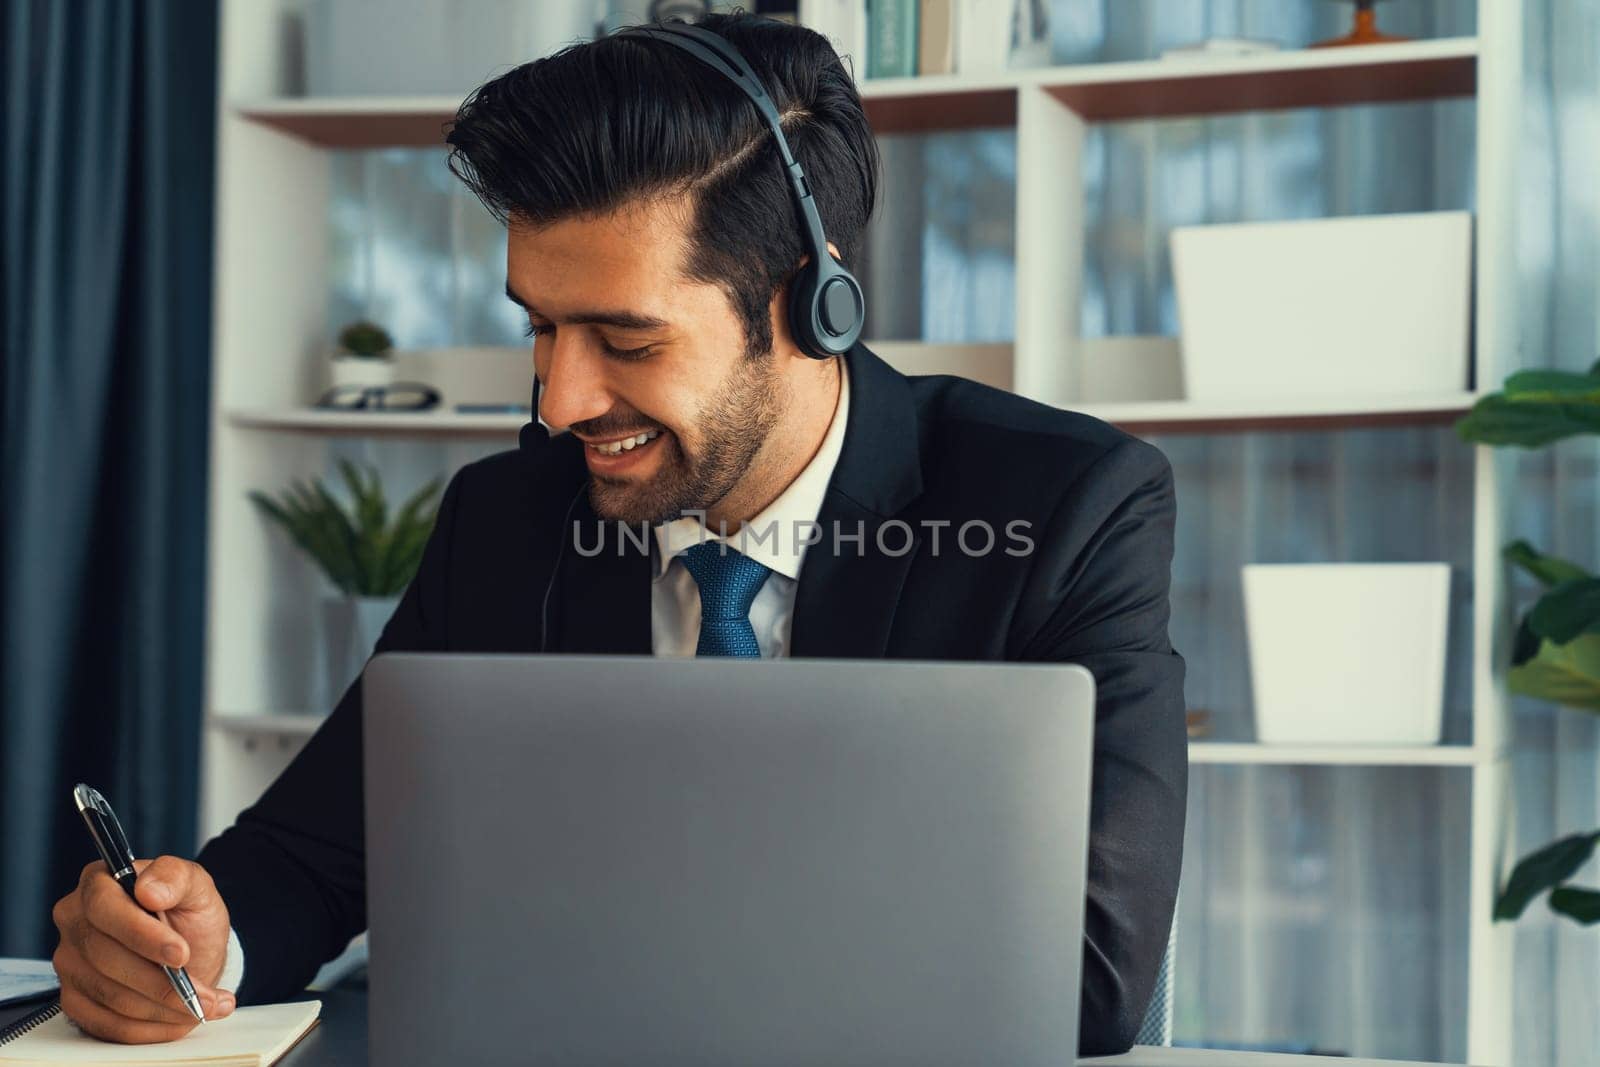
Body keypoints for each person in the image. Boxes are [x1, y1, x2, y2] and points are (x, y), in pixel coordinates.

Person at [49, 13, 1186, 1056]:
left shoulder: (1064, 507)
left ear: (807, 306)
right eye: (540, 325)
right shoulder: (509, 516)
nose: (558, 401)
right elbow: (315, 850)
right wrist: (197, 941)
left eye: (625, 341)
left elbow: (1087, 977)